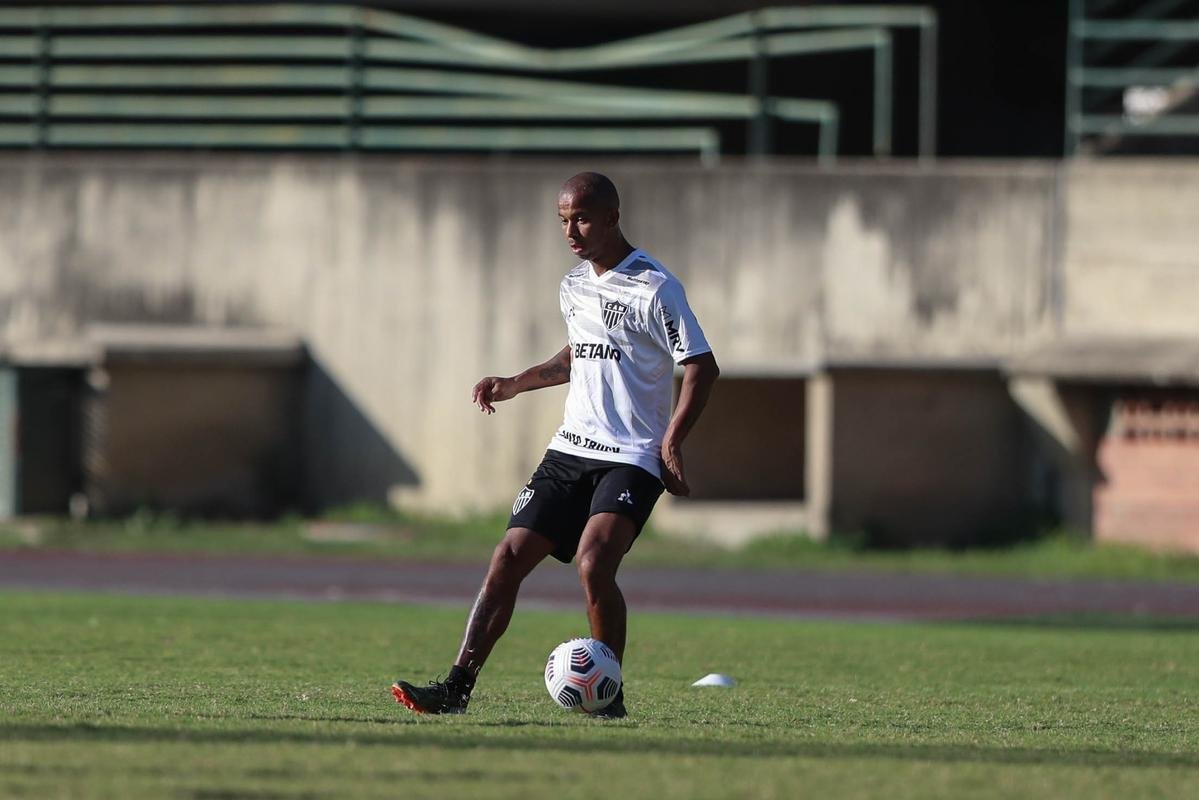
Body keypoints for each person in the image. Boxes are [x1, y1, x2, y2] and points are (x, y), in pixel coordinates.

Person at [392, 172, 719, 719]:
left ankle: (608, 695)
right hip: (569, 450)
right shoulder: (573, 285)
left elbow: (701, 366)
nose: (570, 231)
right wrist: (515, 383)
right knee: (507, 556)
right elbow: (577, 354)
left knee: (593, 563)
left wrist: (671, 441)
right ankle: (455, 689)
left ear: (613, 217)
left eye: (582, 219)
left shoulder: (656, 286)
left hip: (632, 456)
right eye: (564, 220)